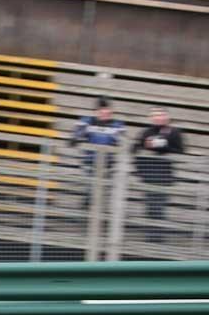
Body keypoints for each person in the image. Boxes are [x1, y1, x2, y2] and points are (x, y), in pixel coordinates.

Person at [133, 107, 185, 242]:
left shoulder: (174, 132)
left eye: (161, 115)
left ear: (167, 117)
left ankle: (157, 239)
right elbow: (135, 149)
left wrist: (164, 147)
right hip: (149, 176)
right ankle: (150, 238)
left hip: (164, 176)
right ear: (151, 118)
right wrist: (140, 171)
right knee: (150, 207)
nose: (158, 117)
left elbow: (180, 152)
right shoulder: (146, 132)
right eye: (155, 115)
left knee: (158, 207)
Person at [70, 97, 125, 210]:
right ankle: (86, 214)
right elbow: (78, 133)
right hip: (90, 163)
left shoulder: (117, 125)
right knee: (90, 190)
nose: (105, 112)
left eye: (107, 110)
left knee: (103, 194)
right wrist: (75, 137)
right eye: (101, 110)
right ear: (96, 111)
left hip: (108, 166)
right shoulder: (87, 121)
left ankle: (98, 219)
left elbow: (122, 140)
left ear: (111, 111)